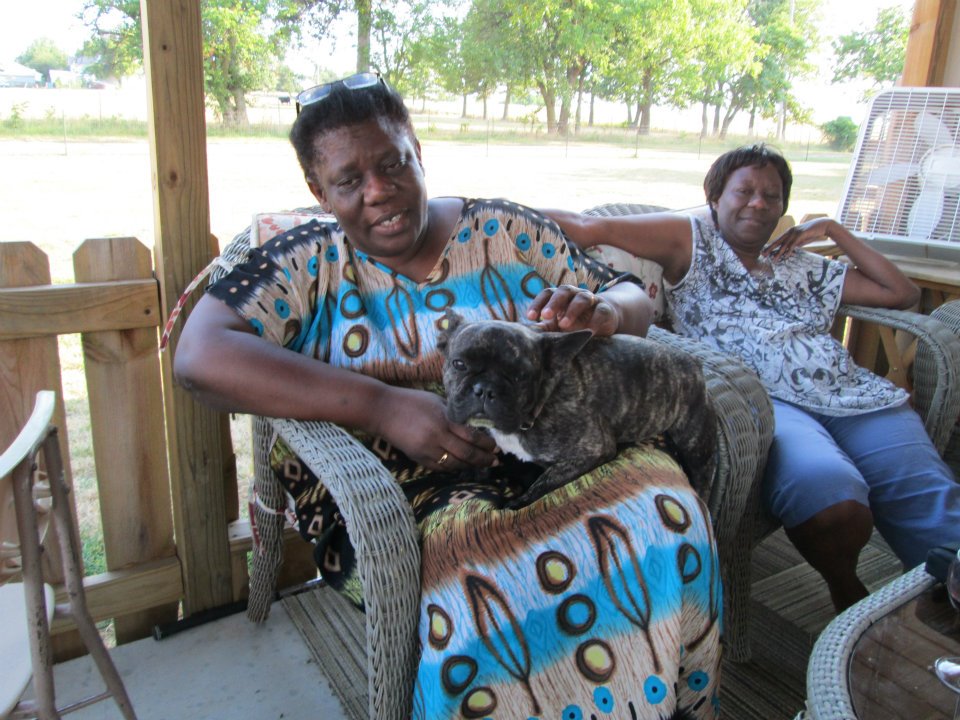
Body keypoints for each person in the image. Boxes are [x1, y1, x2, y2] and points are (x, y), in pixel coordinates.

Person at [173, 73, 722, 719]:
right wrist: (380, 405)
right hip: (392, 476)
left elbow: (627, 292)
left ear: (418, 153)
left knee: (666, 516)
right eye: (349, 181)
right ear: (319, 192)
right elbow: (200, 356)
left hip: (562, 436)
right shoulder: (306, 261)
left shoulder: (505, 229)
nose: (379, 191)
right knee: (482, 582)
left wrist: (604, 311)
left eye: (392, 164)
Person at [546, 143, 960, 612]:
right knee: (829, 498)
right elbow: (587, 227)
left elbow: (902, 293)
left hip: (854, 396)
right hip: (768, 402)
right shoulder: (691, 242)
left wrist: (832, 229)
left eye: (772, 195)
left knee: (932, 504)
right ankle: (848, 590)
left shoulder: (802, 263)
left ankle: (941, 609)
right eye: (744, 191)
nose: (758, 203)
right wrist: (485, 213)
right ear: (715, 197)